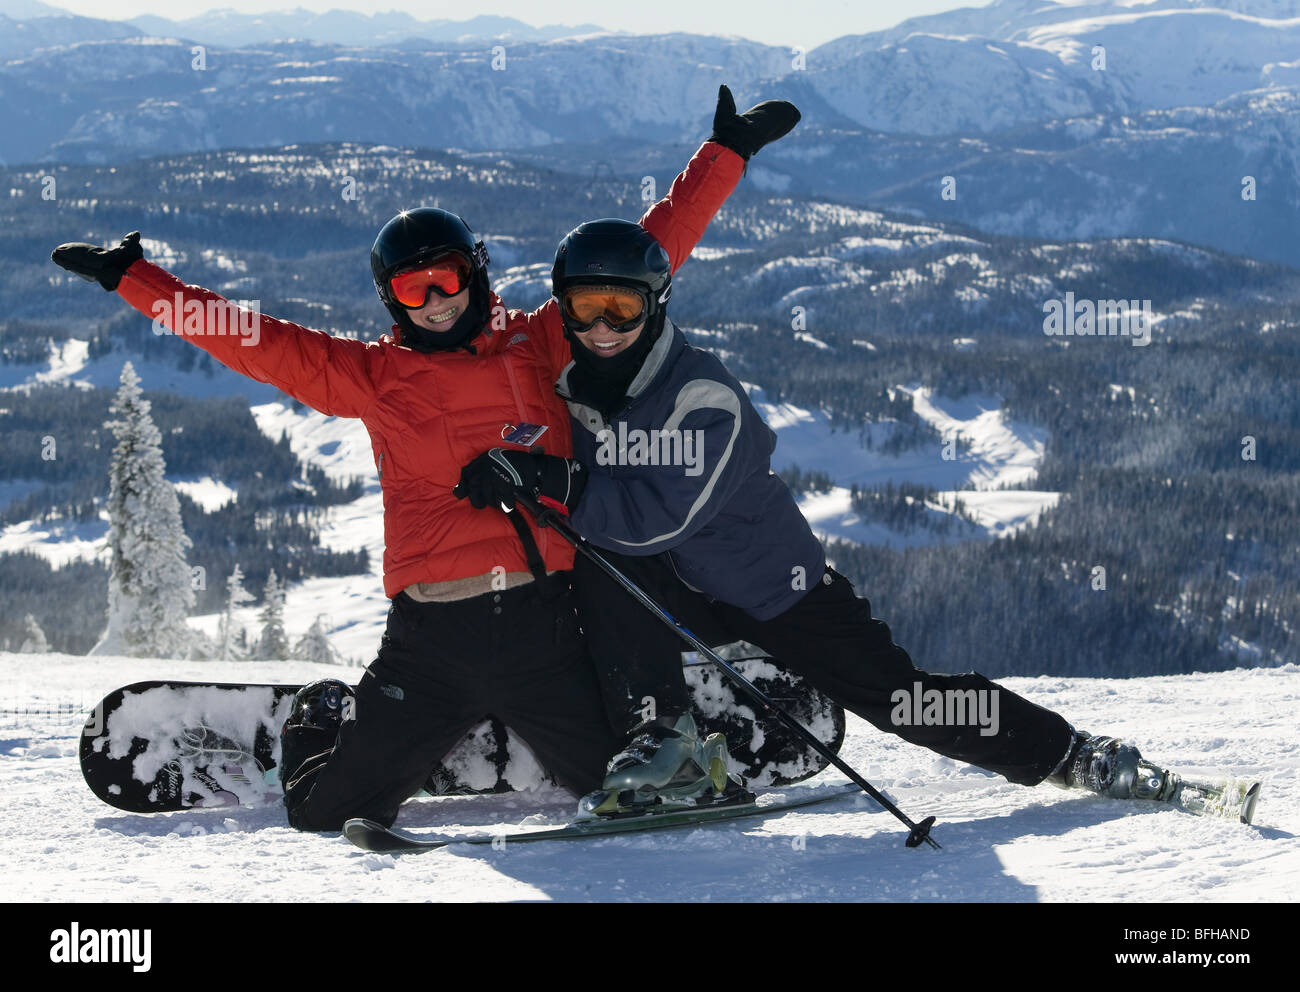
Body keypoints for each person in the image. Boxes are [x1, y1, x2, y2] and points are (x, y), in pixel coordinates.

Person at [49, 85, 800, 831]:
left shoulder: (538, 344)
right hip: (432, 643)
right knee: (321, 812)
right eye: (414, 288)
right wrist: (134, 279)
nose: (436, 300)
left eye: (447, 277)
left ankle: (602, 727)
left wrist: (725, 153)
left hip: (547, 630)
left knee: (627, 791)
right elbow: (253, 341)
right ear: (392, 299)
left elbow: (647, 251)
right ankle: (326, 717)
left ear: (474, 270)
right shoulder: (375, 379)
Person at [454, 219, 1175, 817]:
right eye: (584, 309)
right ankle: (655, 745)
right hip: (672, 593)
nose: (603, 327)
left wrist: (553, 477)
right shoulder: (570, 387)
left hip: (774, 591)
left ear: (658, 304)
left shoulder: (703, 397)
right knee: (592, 578)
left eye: (623, 308)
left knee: (901, 700)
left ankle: (1071, 754)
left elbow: (653, 522)